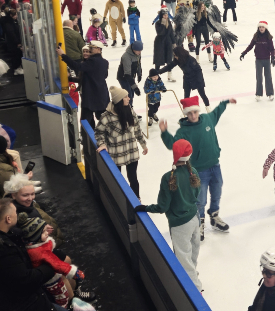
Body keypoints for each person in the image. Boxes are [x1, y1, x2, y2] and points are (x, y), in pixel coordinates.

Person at [160, 96, 237, 236]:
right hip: (199, 171)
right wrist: (165, 133)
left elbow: (217, 112)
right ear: (186, 114)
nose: (193, 115)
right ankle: (199, 224)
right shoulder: (183, 132)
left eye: (195, 112)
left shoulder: (207, 119)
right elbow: (173, 145)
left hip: (215, 165)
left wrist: (225, 103)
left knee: (217, 191)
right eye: (190, 113)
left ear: (198, 111)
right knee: (200, 200)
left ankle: (214, 217)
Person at [135, 140, 204, 290]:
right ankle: (194, 276)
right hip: (194, 218)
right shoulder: (194, 172)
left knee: (183, 259)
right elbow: (197, 194)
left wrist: (146, 208)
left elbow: (163, 206)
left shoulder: (169, 178)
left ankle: (195, 290)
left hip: (180, 224)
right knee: (193, 253)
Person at [94, 86, 147, 198]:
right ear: (119, 100)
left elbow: (136, 128)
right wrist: (102, 144)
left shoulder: (130, 111)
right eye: (126, 97)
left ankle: (137, 199)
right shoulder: (107, 117)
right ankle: (118, 200)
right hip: (116, 154)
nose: (128, 98)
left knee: (133, 178)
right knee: (116, 179)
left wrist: (143, 144)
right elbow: (99, 132)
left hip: (131, 151)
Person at [57, 40, 109, 128]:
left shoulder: (92, 61)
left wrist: (63, 55)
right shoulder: (104, 62)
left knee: (85, 121)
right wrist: (70, 79)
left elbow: (77, 67)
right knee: (103, 121)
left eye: (92, 48)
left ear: (99, 49)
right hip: (102, 96)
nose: (91, 49)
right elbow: (103, 76)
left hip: (90, 97)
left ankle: (88, 140)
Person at [240, 21, 275, 101]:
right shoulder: (256, 36)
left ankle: (270, 93)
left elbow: (272, 49)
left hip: (266, 60)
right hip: (259, 60)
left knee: (268, 77)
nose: (261, 28)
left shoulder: (268, 37)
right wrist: (244, 53)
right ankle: (258, 94)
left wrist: (273, 58)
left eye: (262, 27)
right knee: (259, 77)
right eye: (260, 27)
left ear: (265, 28)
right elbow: (250, 46)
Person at [153, 9, 175, 79]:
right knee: (158, 59)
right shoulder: (158, 23)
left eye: (167, 15)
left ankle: (170, 74)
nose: (166, 17)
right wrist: (163, 24)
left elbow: (171, 33)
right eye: (164, 15)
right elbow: (160, 33)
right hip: (159, 43)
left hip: (168, 42)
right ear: (161, 16)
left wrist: (173, 42)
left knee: (169, 59)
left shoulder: (169, 22)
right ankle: (156, 75)